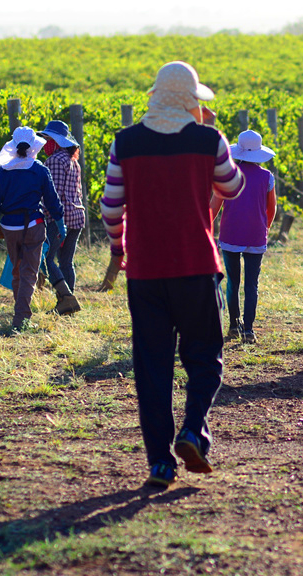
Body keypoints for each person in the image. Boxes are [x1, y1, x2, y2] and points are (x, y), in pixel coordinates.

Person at [101, 61, 245, 490]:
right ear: (190, 100)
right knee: (205, 357)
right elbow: (233, 188)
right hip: (196, 265)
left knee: (152, 367)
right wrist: (213, 142)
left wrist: (119, 248)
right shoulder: (208, 139)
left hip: (145, 271)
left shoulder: (125, 142)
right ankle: (193, 429)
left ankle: (159, 464)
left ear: (155, 95)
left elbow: (111, 207)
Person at [0, 126, 65, 331]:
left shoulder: (3, 172)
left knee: (18, 272)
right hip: (33, 226)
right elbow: (52, 201)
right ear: (33, 146)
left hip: (9, 228)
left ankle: (21, 315)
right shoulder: (39, 170)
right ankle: (21, 320)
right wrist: (60, 223)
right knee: (29, 273)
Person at [211, 129, 277, 344]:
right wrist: (263, 227)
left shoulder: (226, 175)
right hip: (256, 235)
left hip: (230, 234)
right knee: (252, 284)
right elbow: (271, 209)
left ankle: (233, 325)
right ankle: (249, 330)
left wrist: (202, 230)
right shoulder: (267, 177)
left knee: (233, 282)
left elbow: (214, 208)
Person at [40, 120, 84, 315]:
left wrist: (46, 217)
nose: (45, 143)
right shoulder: (72, 161)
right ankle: (68, 305)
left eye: (48, 139)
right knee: (66, 261)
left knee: (47, 258)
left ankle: (66, 298)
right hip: (76, 217)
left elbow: (53, 195)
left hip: (61, 219)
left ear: (57, 142)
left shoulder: (54, 161)